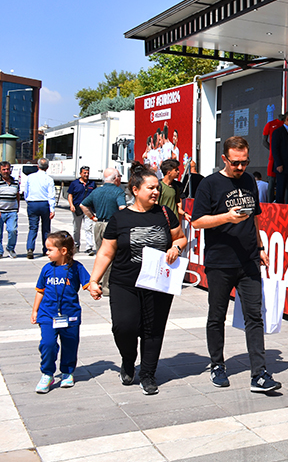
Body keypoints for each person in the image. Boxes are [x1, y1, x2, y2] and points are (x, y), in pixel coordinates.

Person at [191, 136, 281, 393]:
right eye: (235, 163)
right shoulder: (209, 184)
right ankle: (217, 365)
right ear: (224, 159)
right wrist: (226, 218)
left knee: (255, 316)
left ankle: (259, 373)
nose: (240, 168)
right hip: (219, 261)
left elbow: (255, 218)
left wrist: (261, 247)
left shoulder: (250, 180)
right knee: (216, 316)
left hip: (249, 259)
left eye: (244, 162)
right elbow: (197, 222)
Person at [87, 166, 187, 396]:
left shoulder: (164, 214)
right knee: (124, 327)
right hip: (124, 282)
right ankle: (128, 359)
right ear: (135, 189)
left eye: (157, 188)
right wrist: (95, 280)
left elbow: (180, 238)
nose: (155, 192)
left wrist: (174, 247)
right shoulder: (119, 218)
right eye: (150, 188)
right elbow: (105, 252)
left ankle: (148, 375)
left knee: (153, 330)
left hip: (157, 283)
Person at [32, 231, 90, 393]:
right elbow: (40, 291)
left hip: (70, 315)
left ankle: (67, 372)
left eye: (50, 250)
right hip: (47, 314)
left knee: (70, 344)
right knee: (47, 343)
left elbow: (88, 283)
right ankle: (47, 373)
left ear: (63, 251)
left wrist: (94, 289)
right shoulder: (46, 269)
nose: (46, 253)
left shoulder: (76, 268)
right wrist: (35, 310)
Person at [80, 168, 127, 297]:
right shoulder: (118, 192)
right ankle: (107, 286)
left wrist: (92, 217)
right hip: (112, 226)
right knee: (110, 256)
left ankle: (97, 280)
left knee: (100, 254)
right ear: (116, 178)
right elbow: (122, 208)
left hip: (99, 224)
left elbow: (83, 205)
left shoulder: (96, 191)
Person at [21, 159, 56, 259]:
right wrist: (52, 208)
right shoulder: (49, 179)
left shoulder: (30, 177)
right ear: (47, 167)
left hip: (33, 203)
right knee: (46, 228)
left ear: (38, 166)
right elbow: (51, 195)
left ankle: (30, 248)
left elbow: (26, 192)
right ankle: (46, 249)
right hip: (44, 203)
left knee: (33, 227)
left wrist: (29, 201)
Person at [0, 160, 21, 259]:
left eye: (8, 169)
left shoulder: (15, 182)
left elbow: (17, 195)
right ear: (0, 171)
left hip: (12, 211)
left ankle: (10, 248)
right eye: (4, 169)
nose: (6, 171)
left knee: (12, 230)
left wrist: (18, 207)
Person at [67, 166, 96, 255]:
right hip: (77, 209)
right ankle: (76, 245)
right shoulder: (74, 183)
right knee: (76, 228)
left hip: (88, 209)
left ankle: (89, 247)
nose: (86, 175)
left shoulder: (92, 184)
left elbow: (95, 195)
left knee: (88, 228)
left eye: (87, 173)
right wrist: (71, 205)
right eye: (84, 173)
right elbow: (70, 195)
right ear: (80, 173)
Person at [263, 112, 285, 203]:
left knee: (284, 182)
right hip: (272, 158)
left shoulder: (287, 125)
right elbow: (264, 141)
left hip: (284, 158)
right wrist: (273, 150)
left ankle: (283, 203)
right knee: (271, 181)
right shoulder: (270, 124)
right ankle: (269, 203)